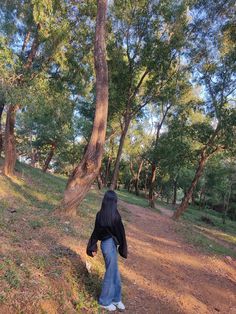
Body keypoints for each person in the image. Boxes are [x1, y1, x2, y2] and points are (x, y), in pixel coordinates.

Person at [86, 190, 128, 312]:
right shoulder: (114, 215)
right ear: (114, 202)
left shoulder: (101, 214)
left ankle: (116, 298)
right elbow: (121, 233)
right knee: (111, 272)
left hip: (108, 245)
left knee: (114, 272)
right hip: (108, 245)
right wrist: (92, 247)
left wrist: (92, 245)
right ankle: (104, 301)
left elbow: (95, 232)